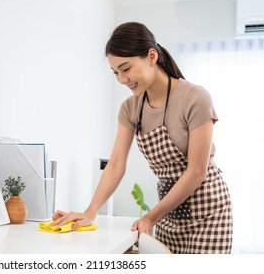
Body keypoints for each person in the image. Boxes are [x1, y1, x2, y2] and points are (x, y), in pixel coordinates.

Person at [52, 22, 233, 254]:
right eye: (115, 72)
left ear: (151, 56)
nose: (121, 79)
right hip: (169, 215)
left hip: (208, 213)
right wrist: (90, 211)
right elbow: (116, 164)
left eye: (126, 68)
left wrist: (150, 216)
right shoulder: (130, 109)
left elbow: (196, 172)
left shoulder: (195, 98)